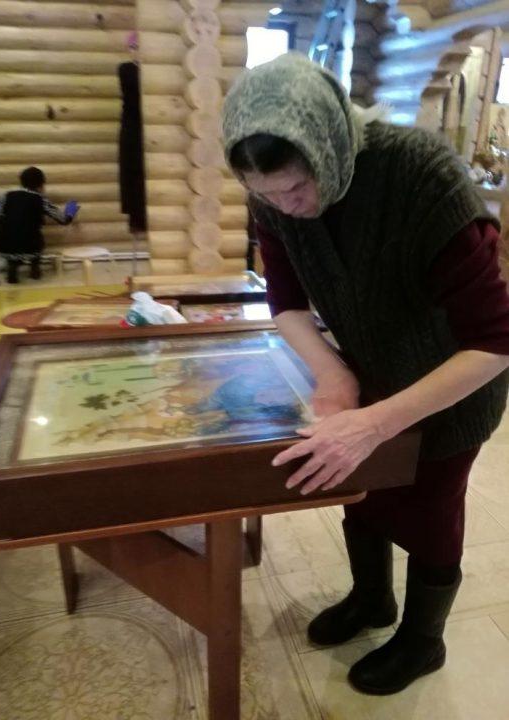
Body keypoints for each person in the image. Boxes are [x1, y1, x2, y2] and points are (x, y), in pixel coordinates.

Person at [222, 53, 509, 695]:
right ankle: (372, 598)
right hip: (370, 370)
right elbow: (285, 302)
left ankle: (424, 640)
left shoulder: (420, 177)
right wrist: (335, 376)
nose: (286, 208)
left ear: (329, 147)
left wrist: (376, 423)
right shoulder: (274, 198)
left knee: (431, 508)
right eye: (267, 196)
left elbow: (495, 340)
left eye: (297, 188)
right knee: (365, 494)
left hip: (453, 385)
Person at [0, 166, 80, 283]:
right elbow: (63, 220)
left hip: (5, 245)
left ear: (21, 181)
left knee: (13, 237)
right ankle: (35, 271)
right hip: (30, 245)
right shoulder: (40, 199)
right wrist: (71, 210)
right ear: (41, 184)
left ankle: (12, 271)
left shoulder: (6, 196)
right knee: (32, 237)